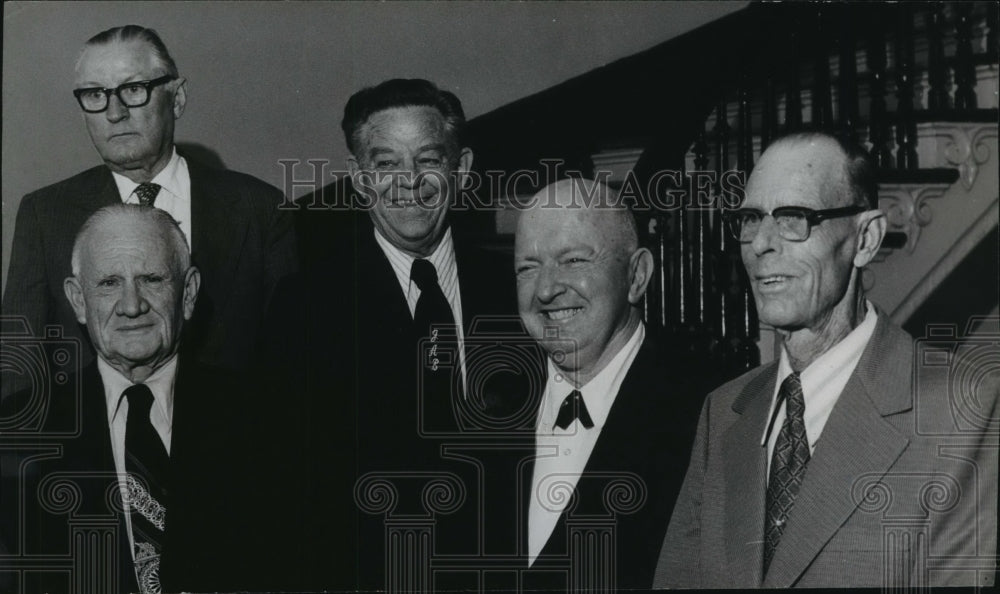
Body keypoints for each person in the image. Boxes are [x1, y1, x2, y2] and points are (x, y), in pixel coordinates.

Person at [653, 131, 999, 588]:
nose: (760, 244)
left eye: (794, 218)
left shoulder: (962, 408)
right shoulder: (724, 411)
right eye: (752, 219)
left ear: (866, 239)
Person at [265, 78, 518, 590]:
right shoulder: (306, 307)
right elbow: (288, 489)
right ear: (360, 180)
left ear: (461, 170)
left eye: (429, 159)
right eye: (385, 165)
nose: (410, 182)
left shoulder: (515, 291)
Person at [0, 205, 292, 593]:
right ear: (78, 300)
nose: (132, 305)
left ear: (188, 293)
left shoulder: (268, 417)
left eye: (152, 279)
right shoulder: (19, 431)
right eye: (108, 283)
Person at [2, 25, 296, 383]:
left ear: (177, 98)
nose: (114, 112)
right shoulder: (44, 214)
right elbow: (18, 374)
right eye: (95, 94)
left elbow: (291, 368)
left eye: (133, 89)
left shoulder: (260, 209)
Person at [512, 178, 701, 590]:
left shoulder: (708, 416)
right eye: (527, 267)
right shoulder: (488, 404)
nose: (545, 289)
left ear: (636, 276)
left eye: (574, 261)